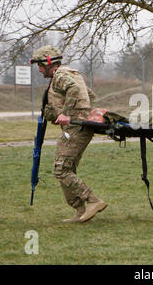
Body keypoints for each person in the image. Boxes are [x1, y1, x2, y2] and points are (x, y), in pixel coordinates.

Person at [30, 45, 107, 223]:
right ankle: (79, 211)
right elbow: (89, 95)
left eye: (40, 65)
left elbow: (73, 89)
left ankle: (93, 201)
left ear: (50, 63)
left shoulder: (60, 76)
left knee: (61, 169)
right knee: (65, 168)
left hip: (75, 127)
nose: (39, 70)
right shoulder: (70, 73)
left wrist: (66, 112)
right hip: (78, 126)